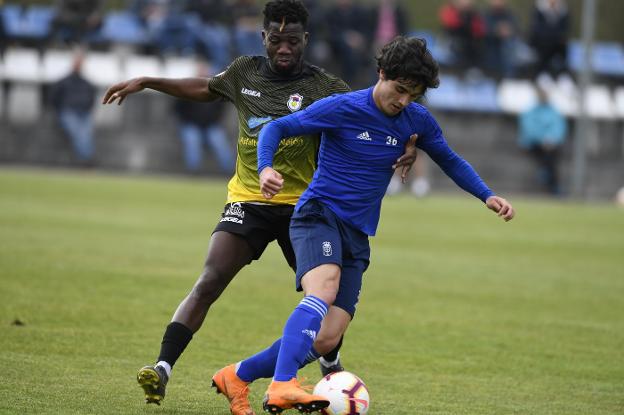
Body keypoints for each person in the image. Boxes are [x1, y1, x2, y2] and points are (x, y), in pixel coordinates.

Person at [102, 1, 418, 411]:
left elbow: (373, 111)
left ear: (305, 40)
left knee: (325, 296)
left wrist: (409, 142)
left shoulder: (327, 87)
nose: (283, 48)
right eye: (275, 39)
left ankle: (328, 364)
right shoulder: (243, 72)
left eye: (292, 40)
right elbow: (204, 88)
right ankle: (162, 367)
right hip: (248, 201)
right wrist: (148, 81)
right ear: (263, 38)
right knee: (210, 279)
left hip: (305, 208)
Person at [210, 36, 515, 414]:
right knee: (323, 288)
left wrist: (486, 195)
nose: (403, 100)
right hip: (318, 214)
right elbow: (276, 129)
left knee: (326, 337)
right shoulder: (342, 107)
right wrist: (267, 167)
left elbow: (449, 159)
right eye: (400, 89)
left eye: (413, 95)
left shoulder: (415, 121)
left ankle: (236, 375)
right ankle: (282, 385)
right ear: (381, 73)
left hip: (358, 232)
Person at [173, 62, 234, 174]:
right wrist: (185, 121)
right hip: (191, 125)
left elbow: (221, 109)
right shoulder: (187, 88)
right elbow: (177, 108)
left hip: (211, 125)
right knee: (192, 140)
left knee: (220, 142)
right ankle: (193, 172)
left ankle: (230, 172)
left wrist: (215, 121)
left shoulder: (217, 90)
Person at [50, 51, 97, 166]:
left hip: (84, 113)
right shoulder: (63, 82)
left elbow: (92, 98)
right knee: (79, 133)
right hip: (68, 112)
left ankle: (86, 159)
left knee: (85, 134)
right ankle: (86, 160)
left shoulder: (87, 83)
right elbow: (54, 98)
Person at [518, 85, 567, 195]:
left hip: (551, 145)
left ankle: (546, 174)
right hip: (534, 144)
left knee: (550, 156)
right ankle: (554, 185)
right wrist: (542, 139)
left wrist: (552, 139)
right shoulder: (530, 111)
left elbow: (559, 128)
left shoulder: (554, 111)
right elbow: (529, 129)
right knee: (549, 157)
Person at [528, 0, 570, 77]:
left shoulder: (563, 11)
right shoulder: (538, 10)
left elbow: (565, 30)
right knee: (544, 47)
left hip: (557, 43)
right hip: (541, 43)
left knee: (563, 49)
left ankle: (562, 75)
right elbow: (536, 30)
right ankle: (541, 74)